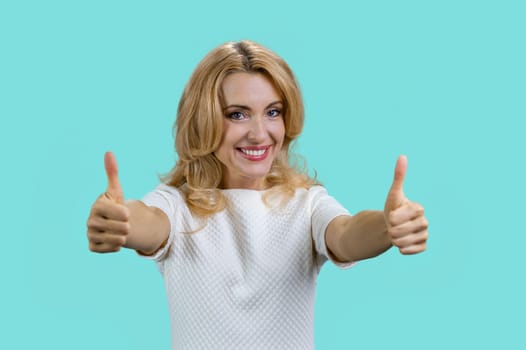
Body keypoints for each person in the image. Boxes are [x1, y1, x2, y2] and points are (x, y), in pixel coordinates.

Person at [86, 40, 429, 349]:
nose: (259, 133)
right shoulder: (177, 205)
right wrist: (123, 223)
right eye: (237, 114)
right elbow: (149, 223)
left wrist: (388, 226)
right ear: (203, 120)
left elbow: (346, 233)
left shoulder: (306, 205)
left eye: (273, 112)